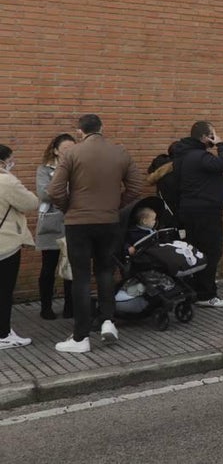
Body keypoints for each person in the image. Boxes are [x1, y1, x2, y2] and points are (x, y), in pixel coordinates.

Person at [48, 114, 146, 354]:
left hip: (78, 223)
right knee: (104, 272)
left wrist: (68, 208)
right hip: (109, 221)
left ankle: (81, 337)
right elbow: (135, 187)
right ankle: (107, 321)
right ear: (102, 128)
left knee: (81, 278)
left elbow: (54, 190)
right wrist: (115, 205)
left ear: (80, 132)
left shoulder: (72, 153)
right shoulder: (120, 152)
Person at [170, 121, 223, 307]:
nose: (215, 137)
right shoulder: (199, 156)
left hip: (190, 210)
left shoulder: (184, 155)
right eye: (213, 134)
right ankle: (206, 294)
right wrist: (221, 145)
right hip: (206, 212)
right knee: (211, 252)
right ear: (206, 137)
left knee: (194, 251)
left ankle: (195, 289)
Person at [0, 144, 41, 350]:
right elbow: (31, 203)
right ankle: (3, 334)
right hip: (5, 243)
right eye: (10, 160)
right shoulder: (6, 181)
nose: (12, 164)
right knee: (4, 290)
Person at [35, 133, 76, 320]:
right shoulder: (44, 169)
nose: (69, 152)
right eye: (66, 149)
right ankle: (46, 307)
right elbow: (44, 194)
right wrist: (67, 193)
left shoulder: (79, 168)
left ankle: (70, 306)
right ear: (56, 151)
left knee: (71, 266)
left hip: (73, 222)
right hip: (51, 223)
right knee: (48, 267)